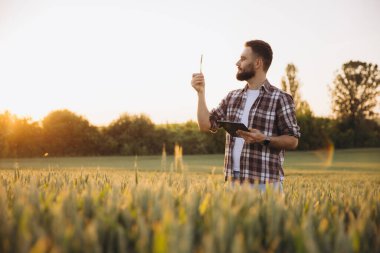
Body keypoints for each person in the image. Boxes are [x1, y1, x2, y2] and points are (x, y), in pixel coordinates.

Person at [191, 40, 300, 192]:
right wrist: (201, 93)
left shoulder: (280, 98)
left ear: (257, 63)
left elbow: (293, 140)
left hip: (265, 185)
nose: (237, 63)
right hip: (232, 184)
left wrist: (264, 139)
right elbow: (205, 125)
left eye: (243, 59)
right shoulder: (232, 97)